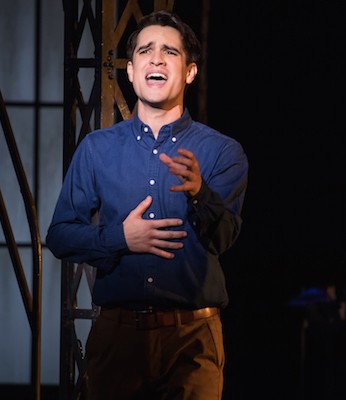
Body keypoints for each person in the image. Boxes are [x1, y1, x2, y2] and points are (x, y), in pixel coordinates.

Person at [47, 9, 248, 400]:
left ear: (190, 72)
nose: (156, 59)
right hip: (118, 336)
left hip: (192, 337)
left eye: (170, 52)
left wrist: (198, 193)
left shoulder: (222, 151)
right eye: (145, 51)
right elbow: (60, 236)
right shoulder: (97, 148)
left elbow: (224, 238)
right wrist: (120, 238)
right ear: (131, 70)